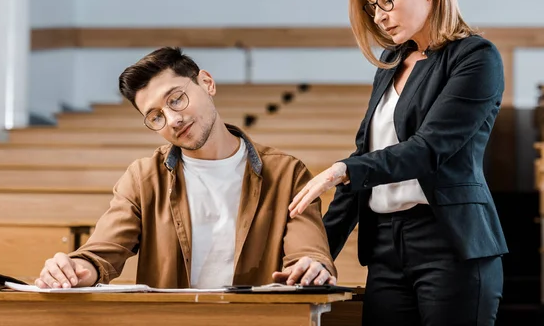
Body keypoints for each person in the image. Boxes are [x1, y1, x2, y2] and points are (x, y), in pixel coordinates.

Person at [288, 0, 507, 326]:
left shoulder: (476, 56)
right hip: (386, 247)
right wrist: (319, 251)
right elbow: (363, 163)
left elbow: (428, 148)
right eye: (373, 7)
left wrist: (344, 169)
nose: (380, 15)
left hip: (450, 245)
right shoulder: (392, 62)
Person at [35, 47, 336, 290]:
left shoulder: (287, 174)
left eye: (176, 99)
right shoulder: (143, 179)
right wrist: (76, 269)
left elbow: (308, 251)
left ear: (207, 83)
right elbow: (102, 252)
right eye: (156, 116)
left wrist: (311, 266)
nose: (173, 119)